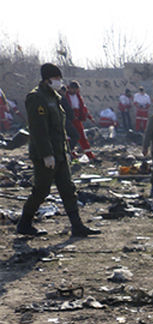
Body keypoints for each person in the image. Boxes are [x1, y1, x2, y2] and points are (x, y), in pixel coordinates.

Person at [16, 63, 100, 238]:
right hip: (44, 154)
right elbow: (39, 129)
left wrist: (66, 151)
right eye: (56, 79)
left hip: (60, 153)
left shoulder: (55, 97)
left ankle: (77, 226)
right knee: (41, 190)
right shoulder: (36, 98)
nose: (59, 82)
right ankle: (24, 223)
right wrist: (47, 154)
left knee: (68, 189)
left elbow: (60, 129)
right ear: (47, 79)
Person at [63, 80, 96, 160]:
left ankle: (89, 154)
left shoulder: (78, 97)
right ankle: (70, 153)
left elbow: (83, 108)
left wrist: (90, 117)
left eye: (76, 89)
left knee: (82, 136)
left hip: (77, 120)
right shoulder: (64, 96)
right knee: (69, 137)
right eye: (73, 89)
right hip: (68, 119)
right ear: (70, 88)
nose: (75, 91)